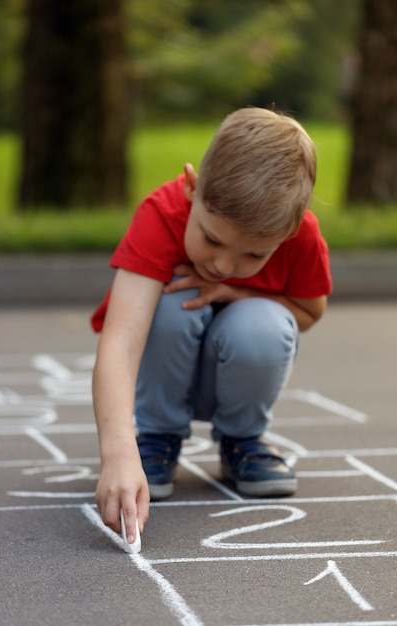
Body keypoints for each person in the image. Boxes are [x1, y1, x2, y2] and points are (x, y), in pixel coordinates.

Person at [91, 107, 332, 545]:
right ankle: (157, 438)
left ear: (291, 230)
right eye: (212, 239)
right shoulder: (162, 213)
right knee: (173, 296)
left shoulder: (301, 236)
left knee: (263, 322)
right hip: (167, 367)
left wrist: (237, 295)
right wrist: (117, 454)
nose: (223, 265)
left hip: (237, 370)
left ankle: (242, 440)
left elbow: (309, 313)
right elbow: (120, 343)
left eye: (254, 256)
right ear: (191, 187)